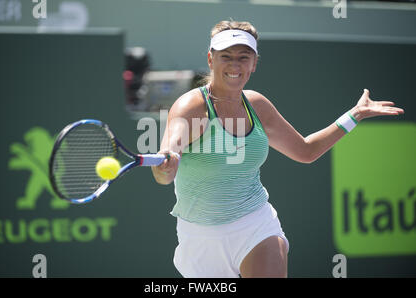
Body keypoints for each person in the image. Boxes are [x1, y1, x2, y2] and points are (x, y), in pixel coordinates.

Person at [151, 20, 404, 278]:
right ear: (210, 59)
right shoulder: (190, 107)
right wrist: (166, 164)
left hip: (255, 223)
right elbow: (167, 162)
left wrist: (355, 115)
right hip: (200, 238)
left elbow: (306, 151)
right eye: (226, 56)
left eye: (244, 56)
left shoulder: (258, 106)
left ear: (254, 63)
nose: (235, 64)